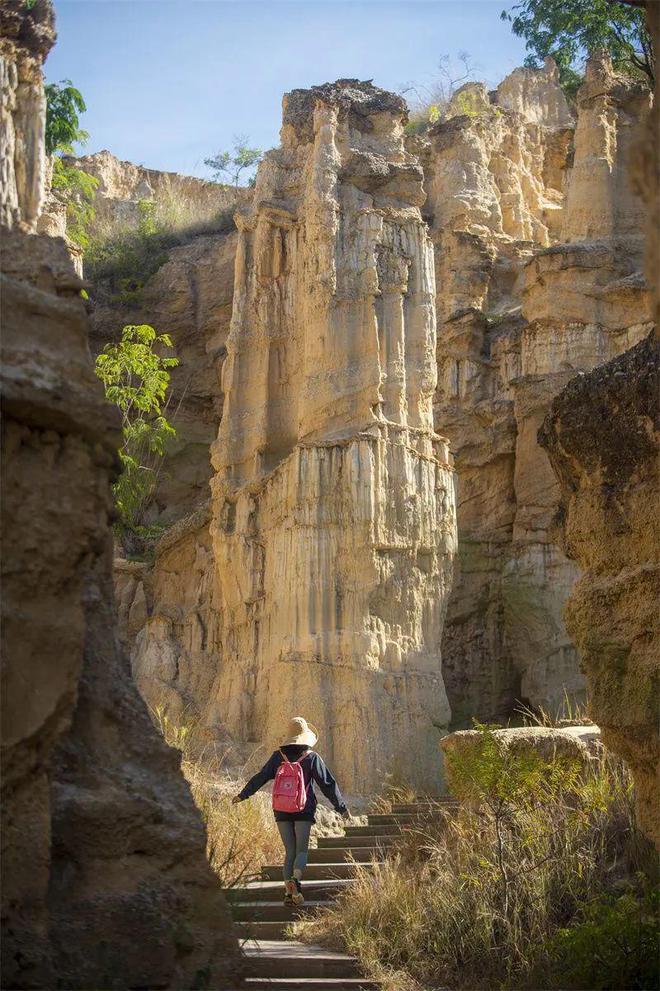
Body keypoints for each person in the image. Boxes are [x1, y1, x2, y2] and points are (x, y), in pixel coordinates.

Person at [232, 716, 350, 906]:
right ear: (305, 737)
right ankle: (296, 880)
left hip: (281, 809)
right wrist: (341, 808)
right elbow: (328, 784)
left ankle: (288, 893)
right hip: (303, 809)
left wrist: (243, 795)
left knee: (289, 851)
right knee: (301, 850)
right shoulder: (311, 757)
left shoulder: (278, 756)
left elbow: (261, 777)